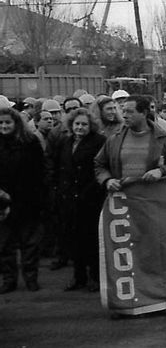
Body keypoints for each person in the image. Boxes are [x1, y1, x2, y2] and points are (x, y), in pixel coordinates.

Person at [52, 108, 106, 292]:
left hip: (90, 198)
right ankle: (78, 276)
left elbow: (99, 168)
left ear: (91, 126)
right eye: (77, 124)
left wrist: (88, 191)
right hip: (69, 199)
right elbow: (62, 168)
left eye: (84, 124)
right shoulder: (66, 142)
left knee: (91, 240)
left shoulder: (99, 142)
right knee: (73, 240)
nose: (80, 127)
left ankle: (95, 278)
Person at [0, 107, 46, 293]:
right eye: (1, 123)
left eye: (7, 122)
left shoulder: (30, 142)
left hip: (28, 200)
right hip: (2, 202)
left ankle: (31, 278)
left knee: (30, 245)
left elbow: (39, 171)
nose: (3, 126)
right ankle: (9, 280)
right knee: (4, 245)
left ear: (16, 123)